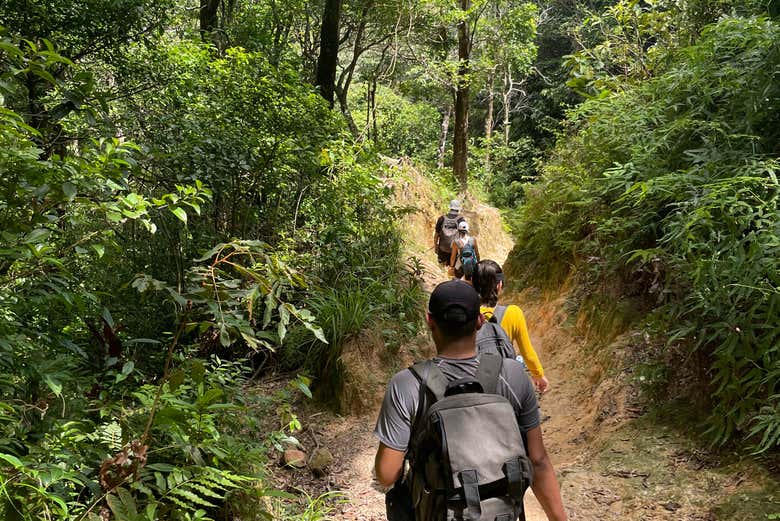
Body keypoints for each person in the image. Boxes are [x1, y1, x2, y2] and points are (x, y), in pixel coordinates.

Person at [374, 281, 567, 521]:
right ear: (480, 321)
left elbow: (386, 475)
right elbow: (537, 461)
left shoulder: (407, 384)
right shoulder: (513, 375)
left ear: (429, 321)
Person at [473, 260, 550, 394]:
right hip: (505, 383)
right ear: (499, 285)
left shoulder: (467, 313)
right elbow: (527, 352)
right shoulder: (513, 313)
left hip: (475, 383)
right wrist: (539, 375)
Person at [433, 199, 464, 267]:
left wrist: (435, 246)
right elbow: (463, 237)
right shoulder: (461, 220)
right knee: (452, 270)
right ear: (458, 209)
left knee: (441, 268)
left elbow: (436, 235)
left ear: (450, 208)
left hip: (442, 248)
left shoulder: (442, 218)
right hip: (454, 250)